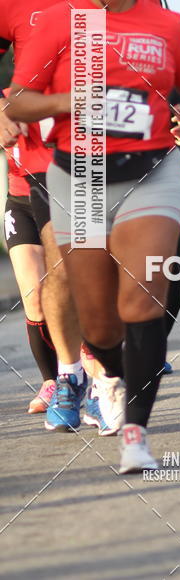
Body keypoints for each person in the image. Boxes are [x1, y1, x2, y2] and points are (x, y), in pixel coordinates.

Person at [7, 0, 180, 472]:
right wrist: (66, 103)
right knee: (99, 323)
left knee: (141, 297)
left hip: (153, 170)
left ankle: (136, 433)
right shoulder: (58, 23)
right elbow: (19, 101)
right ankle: (114, 375)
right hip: (79, 176)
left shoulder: (165, 25)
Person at [0, 0, 126, 431]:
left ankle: (103, 372)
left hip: (118, 153)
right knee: (59, 266)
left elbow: (169, 55)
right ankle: (76, 376)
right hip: (41, 157)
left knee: (105, 271)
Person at [3, 130, 57, 412]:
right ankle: (52, 383)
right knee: (34, 295)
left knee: (77, 292)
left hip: (66, 196)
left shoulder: (73, 89)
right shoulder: (6, 100)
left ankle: (94, 375)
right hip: (20, 201)